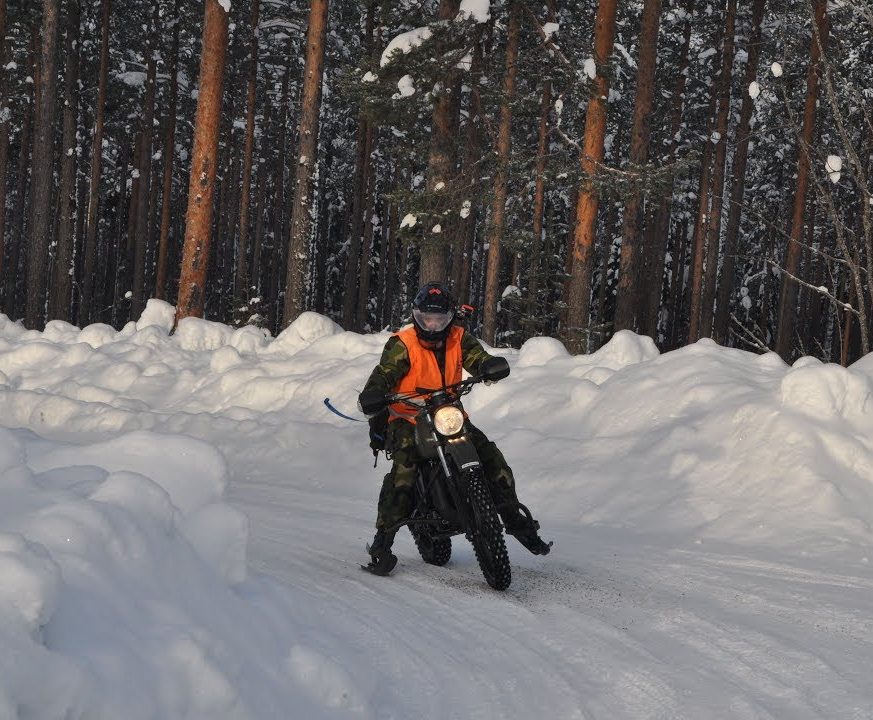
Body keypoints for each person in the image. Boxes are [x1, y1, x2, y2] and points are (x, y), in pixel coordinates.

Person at [358, 281, 551, 575]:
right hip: (408, 417)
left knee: (490, 456)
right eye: (427, 320)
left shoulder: (459, 339)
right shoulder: (402, 344)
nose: (433, 326)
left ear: (450, 318)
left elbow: (478, 358)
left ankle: (517, 523)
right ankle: (382, 544)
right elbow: (384, 374)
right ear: (416, 317)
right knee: (404, 471)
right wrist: (375, 393)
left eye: (440, 320)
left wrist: (488, 366)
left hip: (448, 413)